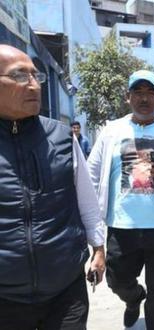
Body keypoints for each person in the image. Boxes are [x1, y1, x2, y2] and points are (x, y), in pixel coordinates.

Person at [0, 45, 105, 329]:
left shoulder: (60, 137)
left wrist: (98, 248)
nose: (34, 84)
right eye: (20, 76)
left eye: (36, 76)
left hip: (65, 289)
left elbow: (86, 199)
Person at [87, 70, 154, 329]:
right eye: (138, 92)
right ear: (128, 97)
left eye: (150, 93)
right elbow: (91, 176)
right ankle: (134, 297)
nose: (144, 98)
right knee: (116, 280)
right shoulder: (111, 131)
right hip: (121, 226)